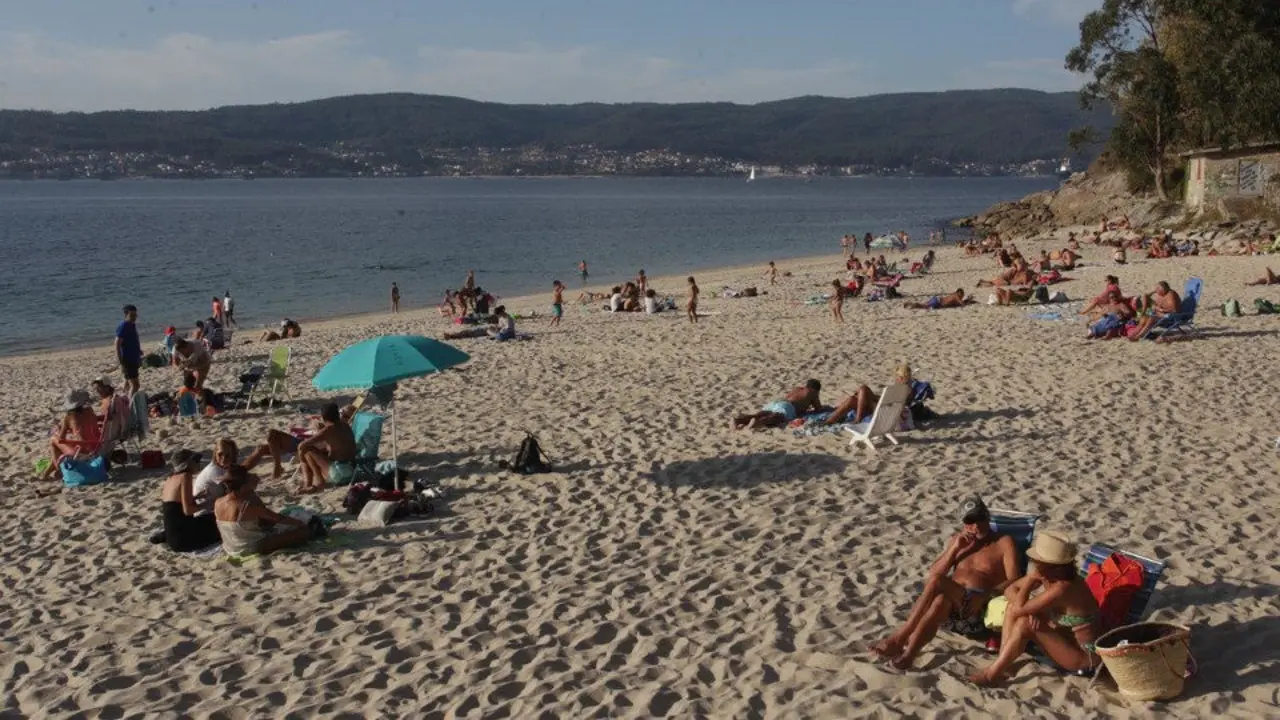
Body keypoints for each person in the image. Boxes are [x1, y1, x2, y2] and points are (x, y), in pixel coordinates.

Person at [871, 496, 1021, 669]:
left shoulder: (1003, 542)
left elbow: (1015, 579)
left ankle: (901, 637)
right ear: (964, 524)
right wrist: (955, 548)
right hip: (953, 609)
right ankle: (909, 655)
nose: (976, 525)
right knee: (939, 602)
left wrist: (986, 595)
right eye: (970, 521)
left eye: (980, 518)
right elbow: (934, 571)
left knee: (938, 582)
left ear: (988, 517)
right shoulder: (959, 542)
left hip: (978, 607)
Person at [969, 531, 1101, 685]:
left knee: (1023, 621)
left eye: (1038, 561)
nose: (1035, 564)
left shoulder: (1062, 588)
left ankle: (991, 675)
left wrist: (1030, 581)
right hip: (1063, 639)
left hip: (1084, 658)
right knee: (1014, 609)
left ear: (1050, 565)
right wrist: (1030, 609)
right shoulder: (1050, 577)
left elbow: (1020, 607)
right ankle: (1003, 664)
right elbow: (1009, 590)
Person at [214, 465, 320, 556]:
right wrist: (300, 523)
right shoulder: (246, 506)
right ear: (244, 485)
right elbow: (278, 518)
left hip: (231, 548)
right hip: (250, 548)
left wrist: (251, 491)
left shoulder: (218, 502)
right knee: (303, 532)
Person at [160, 449, 221, 552]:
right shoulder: (185, 476)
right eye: (196, 460)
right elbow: (187, 510)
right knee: (219, 521)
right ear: (187, 464)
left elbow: (174, 505)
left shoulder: (170, 478)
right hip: (184, 539)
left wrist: (196, 497)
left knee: (208, 518)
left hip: (173, 537)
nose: (199, 463)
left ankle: (162, 536)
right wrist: (209, 504)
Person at [37, 389, 102, 482]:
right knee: (61, 446)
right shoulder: (90, 411)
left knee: (53, 440)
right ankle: (46, 474)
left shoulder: (68, 417)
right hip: (96, 446)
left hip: (82, 452)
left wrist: (59, 431)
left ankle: (59, 470)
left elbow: (61, 439)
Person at [296, 402, 358, 493]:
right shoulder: (346, 426)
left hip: (338, 475)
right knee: (317, 451)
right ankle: (313, 482)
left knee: (307, 450)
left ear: (324, 417)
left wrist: (302, 460)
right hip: (352, 471)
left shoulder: (327, 430)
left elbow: (302, 446)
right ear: (337, 414)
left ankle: (313, 483)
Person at [823, 363, 912, 426]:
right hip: (883, 409)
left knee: (863, 389)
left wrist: (873, 397)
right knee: (853, 399)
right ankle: (830, 421)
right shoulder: (907, 389)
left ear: (900, 378)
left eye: (897, 377)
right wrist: (875, 397)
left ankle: (857, 419)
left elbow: (890, 405)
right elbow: (891, 401)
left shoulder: (901, 389)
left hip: (883, 413)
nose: (896, 379)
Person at [730, 379, 822, 431]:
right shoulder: (813, 392)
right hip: (788, 406)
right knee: (777, 416)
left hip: (777, 402)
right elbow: (818, 408)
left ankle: (738, 420)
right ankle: (758, 423)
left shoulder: (798, 388)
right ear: (816, 389)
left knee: (761, 414)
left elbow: (789, 397)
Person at [115, 305, 143, 395]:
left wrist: (138, 351)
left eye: (135, 315)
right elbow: (117, 343)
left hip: (133, 358)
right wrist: (120, 360)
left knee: (127, 382)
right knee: (135, 385)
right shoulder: (124, 325)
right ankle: (130, 405)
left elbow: (133, 339)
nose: (134, 317)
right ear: (126, 315)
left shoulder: (131, 325)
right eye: (132, 315)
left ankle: (124, 400)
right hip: (128, 359)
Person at [904, 288, 973, 310]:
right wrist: (969, 301)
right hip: (938, 301)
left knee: (924, 305)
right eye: (962, 294)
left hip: (937, 299)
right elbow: (962, 304)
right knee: (924, 306)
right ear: (958, 293)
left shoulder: (954, 295)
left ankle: (911, 303)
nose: (962, 296)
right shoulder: (956, 296)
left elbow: (954, 303)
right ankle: (913, 305)